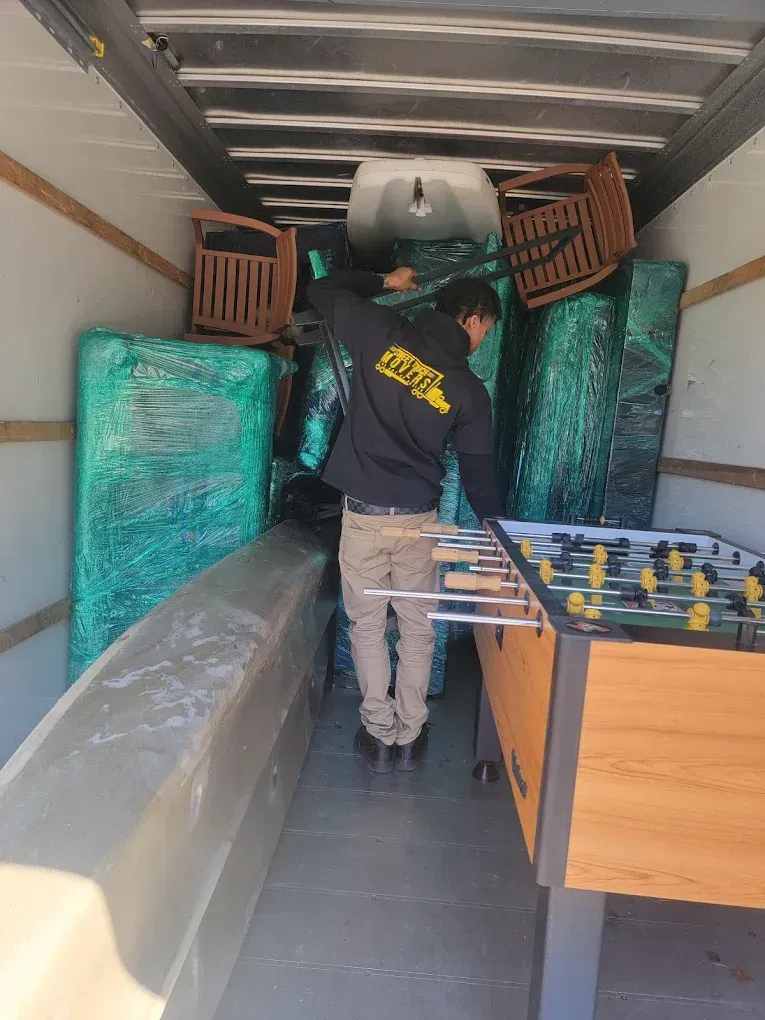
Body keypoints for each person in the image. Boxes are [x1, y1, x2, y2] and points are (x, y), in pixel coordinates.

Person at [307, 268, 504, 774]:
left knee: (367, 626)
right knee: (417, 629)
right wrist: (501, 533)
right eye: (486, 331)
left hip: (364, 519)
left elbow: (322, 288)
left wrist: (385, 282)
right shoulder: (467, 389)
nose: (482, 342)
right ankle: (411, 736)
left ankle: (378, 735)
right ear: (473, 318)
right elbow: (480, 478)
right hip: (419, 523)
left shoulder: (379, 332)